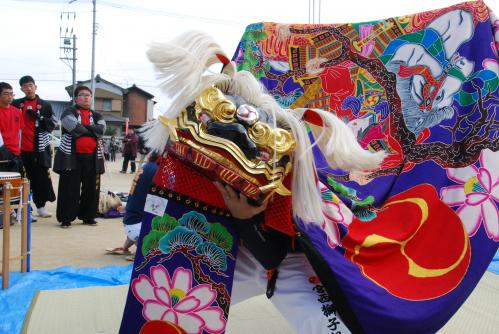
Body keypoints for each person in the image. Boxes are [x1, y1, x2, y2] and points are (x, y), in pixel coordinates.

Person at [53, 85, 106, 228]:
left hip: (93, 157)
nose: (86, 97)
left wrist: (85, 128)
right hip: (71, 157)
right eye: (82, 95)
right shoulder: (67, 112)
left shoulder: (97, 115)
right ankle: (66, 218)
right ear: (76, 98)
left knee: (91, 189)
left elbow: (101, 130)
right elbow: (75, 128)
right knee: (69, 189)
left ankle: (88, 216)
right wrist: (91, 130)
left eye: (88, 95)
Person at [12, 75, 56, 218]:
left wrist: (40, 117)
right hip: (20, 148)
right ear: (21, 89)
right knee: (23, 179)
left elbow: (52, 124)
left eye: (30, 85)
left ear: (35, 86)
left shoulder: (45, 105)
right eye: (25, 86)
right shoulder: (16, 103)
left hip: (39, 148)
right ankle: (24, 209)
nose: (28, 88)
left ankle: (41, 206)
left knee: (40, 178)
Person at [106, 152, 159, 259]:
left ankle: (126, 247)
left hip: (130, 224)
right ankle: (143, 250)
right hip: (135, 227)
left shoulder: (147, 167)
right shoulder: (156, 170)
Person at [0, 82, 23, 174]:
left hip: (16, 154)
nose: (10, 97)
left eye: (11, 94)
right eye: (6, 94)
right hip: (2, 153)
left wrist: (19, 150)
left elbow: (20, 133)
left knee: (15, 185)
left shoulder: (18, 112)